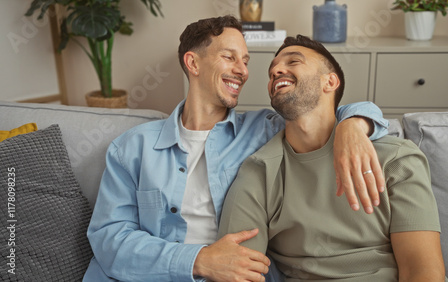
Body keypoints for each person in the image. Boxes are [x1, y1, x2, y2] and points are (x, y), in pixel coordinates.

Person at [83, 17, 389, 282]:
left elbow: (320, 110)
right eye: (230, 57)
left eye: (245, 61)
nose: (242, 71)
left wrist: (353, 125)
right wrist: (199, 260)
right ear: (193, 63)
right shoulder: (132, 148)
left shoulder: (265, 129)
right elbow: (109, 240)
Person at [217, 35, 448, 281]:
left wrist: (353, 126)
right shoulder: (259, 172)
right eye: (272, 71)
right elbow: (239, 269)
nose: (276, 70)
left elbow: (422, 270)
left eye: (293, 61)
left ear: (330, 81)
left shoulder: (397, 159)